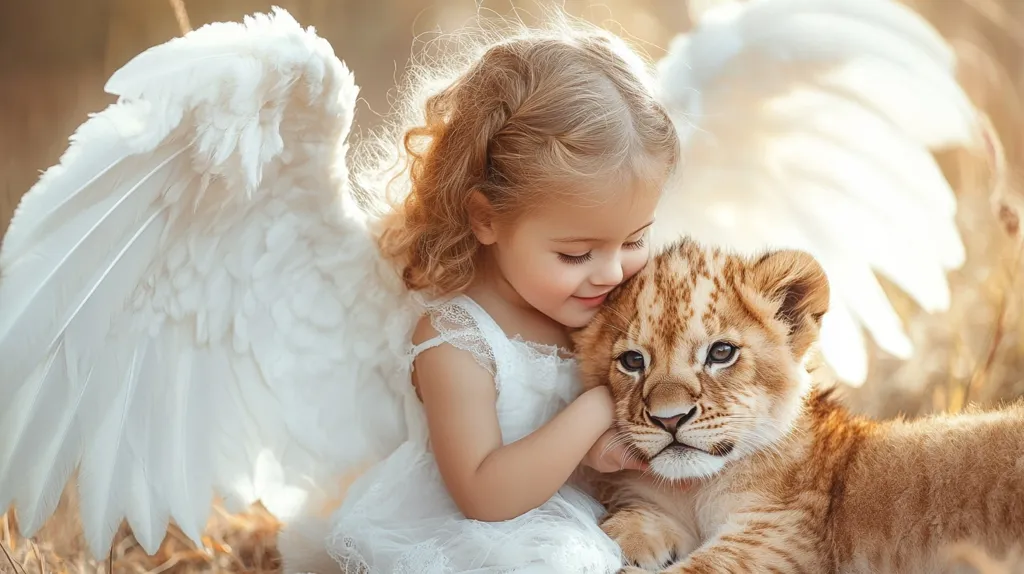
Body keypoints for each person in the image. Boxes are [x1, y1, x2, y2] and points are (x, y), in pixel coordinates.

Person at [323, 15, 680, 573]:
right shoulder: (458, 340)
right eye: (576, 254)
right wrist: (596, 410)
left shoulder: (596, 300)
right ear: (486, 219)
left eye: (635, 239)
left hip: (580, 512)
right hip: (482, 537)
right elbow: (484, 495)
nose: (613, 272)